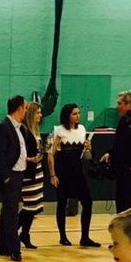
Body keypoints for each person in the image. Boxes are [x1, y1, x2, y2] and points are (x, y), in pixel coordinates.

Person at [48, 103, 100, 247]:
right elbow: (51, 155)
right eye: (74, 114)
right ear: (67, 115)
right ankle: (63, 236)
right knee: (62, 203)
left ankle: (85, 237)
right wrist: (53, 175)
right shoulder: (59, 131)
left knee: (88, 202)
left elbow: (87, 156)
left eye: (78, 113)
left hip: (77, 172)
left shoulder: (82, 129)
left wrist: (88, 148)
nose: (78, 116)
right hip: (63, 173)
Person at [0, 95, 30, 260]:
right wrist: (5, 176)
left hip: (17, 175)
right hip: (9, 177)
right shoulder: (3, 127)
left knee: (7, 211)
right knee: (12, 213)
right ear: (19, 108)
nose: (26, 111)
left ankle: (1, 246)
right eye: (25, 107)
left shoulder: (19, 128)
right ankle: (15, 249)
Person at [18, 101, 46, 249]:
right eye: (38, 113)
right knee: (29, 204)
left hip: (38, 170)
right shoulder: (24, 131)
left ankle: (25, 233)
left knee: (34, 205)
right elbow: (19, 154)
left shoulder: (36, 130)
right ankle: (11, 232)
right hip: (28, 172)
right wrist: (30, 159)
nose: (40, 115)